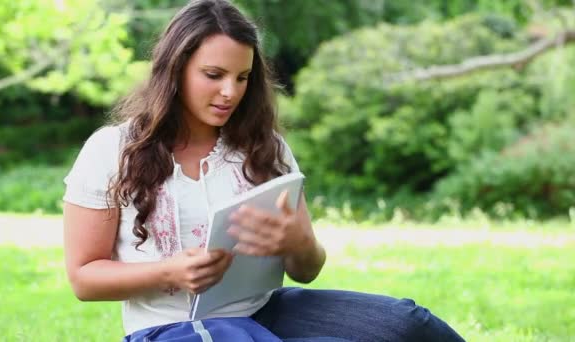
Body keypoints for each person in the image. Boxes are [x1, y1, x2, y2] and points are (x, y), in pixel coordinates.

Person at [62, 0, 465, 341]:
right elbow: (84, 278)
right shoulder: (113, 149)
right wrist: (171, 271)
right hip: (170, 327)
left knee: (409, 326)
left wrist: (299, 242)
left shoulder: (264, 147)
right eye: (214, 75)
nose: (230, 92)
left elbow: (306, 271)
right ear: (175, 69)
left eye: (242, 78)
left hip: (265, 311)